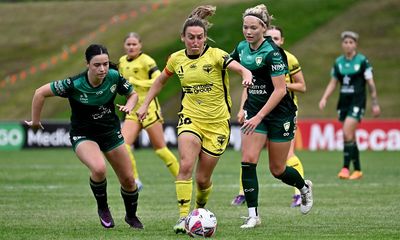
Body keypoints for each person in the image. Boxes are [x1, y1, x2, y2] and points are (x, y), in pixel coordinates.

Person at [136, 5, 253, 234]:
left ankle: (198, 211)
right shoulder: (176, 59)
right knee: (186, 165)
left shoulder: (216, 56)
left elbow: (240, 69)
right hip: (190, 119)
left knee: (202, 180)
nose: (195, 41)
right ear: (183, 38)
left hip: (218, 124)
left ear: (205, 38)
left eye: (199, 37)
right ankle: (182, 218)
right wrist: (145, 104)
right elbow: (159, 81)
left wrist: (247, 74)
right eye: (191, 37)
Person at [25, 44, 144, 229]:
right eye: (97, 65)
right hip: (83, 134)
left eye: (105, 64)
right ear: (87, 64)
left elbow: (133, 94)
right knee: (98, 168)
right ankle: (103, 208)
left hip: (110, 132)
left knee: (129, 180)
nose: (102, 69)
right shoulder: (74, 84)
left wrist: (130, 105)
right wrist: (35, 121)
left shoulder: (113, 76)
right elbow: (39, 93)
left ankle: (131, 216)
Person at [230, 4, 313, 229]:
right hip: (254, 112)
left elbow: (280, 90)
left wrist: (259, 116)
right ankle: (253, 216)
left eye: (253, 28)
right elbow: (227, 61)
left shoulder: (273, 53)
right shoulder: (241, 47)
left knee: (277, 169)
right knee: (247, 161)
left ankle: (304, 187)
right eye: (245, 27)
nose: (248, 32)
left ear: (263, 28)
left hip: (279, 114)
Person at [119, 32, 179, 189]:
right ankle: (135, 181)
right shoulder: (121, 62)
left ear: (140, 45)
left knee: (160, 150)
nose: (131, 47)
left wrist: (136, 82)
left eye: (134, 44)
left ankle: (182, 178)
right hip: (132, 110)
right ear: (124, 46)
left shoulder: (147, 61)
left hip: (150, 109)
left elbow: (158, 79)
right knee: (123, 146)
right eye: (128, 44)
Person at [319, 31, 380, 180]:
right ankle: (358, 170)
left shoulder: (362, 61)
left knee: (346, 132)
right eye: (345, 42)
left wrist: (375, 103)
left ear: (355, 45)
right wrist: (324, 98)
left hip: (357, 102)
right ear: (342, 44)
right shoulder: (338, 62)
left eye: (351, 42)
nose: (348, 45)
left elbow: (370, 83)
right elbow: (333, 82)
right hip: (344, 102)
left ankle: (345, 168)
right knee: (350, 136)